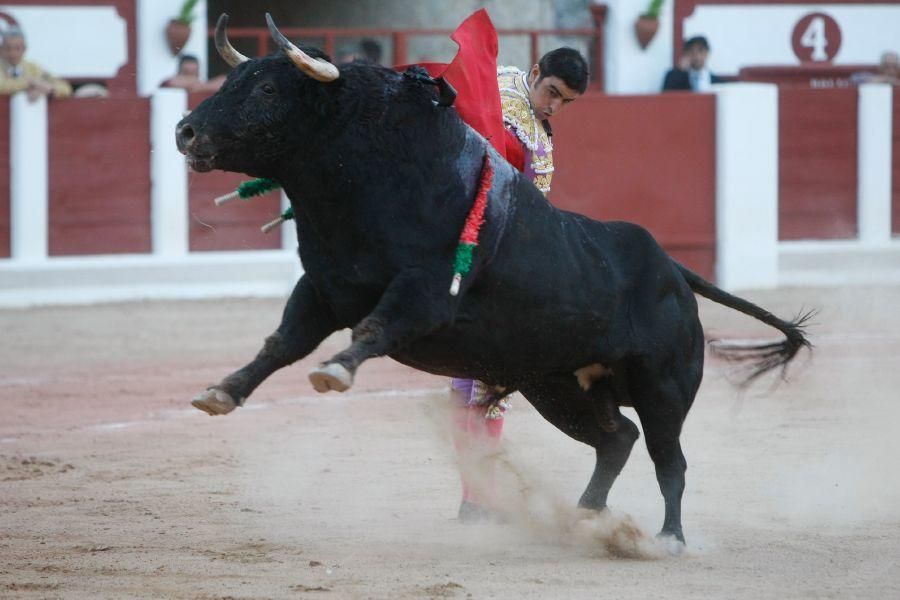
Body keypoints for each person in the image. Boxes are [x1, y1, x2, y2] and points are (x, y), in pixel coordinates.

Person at [450, 46, 588, 522]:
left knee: (487, 384)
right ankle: (474, 496)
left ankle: (475, 499)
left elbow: (529, 221)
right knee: (467, 379)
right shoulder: (496, 79)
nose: (554, 107)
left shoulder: (542, 148)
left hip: (496, 267)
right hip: (458, 241)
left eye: (565, 102)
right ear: (534, 74)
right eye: (551, 92)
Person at [0, 26, 71, 101]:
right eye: (8, 49)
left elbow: (65, 87)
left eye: (17, 48)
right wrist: (29, 84)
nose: (13, 54)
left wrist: (49, 90)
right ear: (1, 49)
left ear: (24, 49)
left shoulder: (33, 68)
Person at [161, 54, 225, 92]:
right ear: (178, 72)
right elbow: (172, 82)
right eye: (186, 73)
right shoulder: (167, 83)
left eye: (194, 72)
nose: (191, 77)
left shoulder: (201, 86)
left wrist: (200, 86)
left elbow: (224, 81)